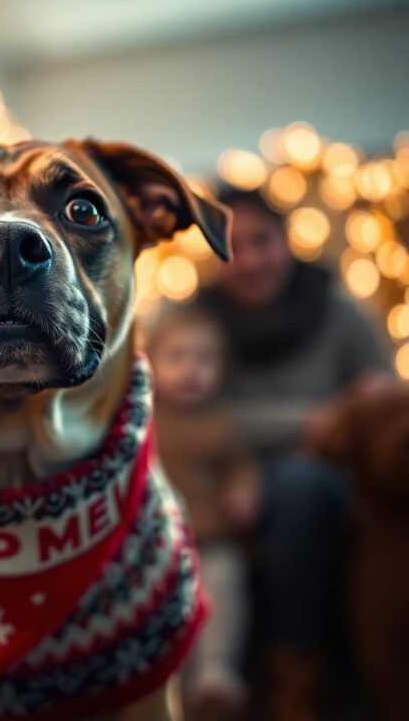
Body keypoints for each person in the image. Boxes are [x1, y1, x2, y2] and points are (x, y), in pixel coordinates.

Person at [197, 188, 393, 720]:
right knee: (294, 486)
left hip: (328, 482)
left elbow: (386, 407)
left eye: (263, 240)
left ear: (287, 242)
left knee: (302, 487)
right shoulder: (193, 320)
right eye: (233, 245)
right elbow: (192, 417)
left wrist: (336, 428)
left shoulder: (341, 311)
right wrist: (312, 420)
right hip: (218, 484)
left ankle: (303, 679)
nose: (251, 260)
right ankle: (292, 681)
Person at [139, 305, 257, 721]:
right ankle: (167, 687)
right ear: (148, 362)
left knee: (223, 587)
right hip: (153, 546)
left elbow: (241, 466)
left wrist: (244, 492)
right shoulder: (143, 416)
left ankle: (216, 674)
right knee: (158, 612)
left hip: (210, 540)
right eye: (177, 358)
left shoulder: (222, 422)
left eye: (204, 359)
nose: (191, 370)